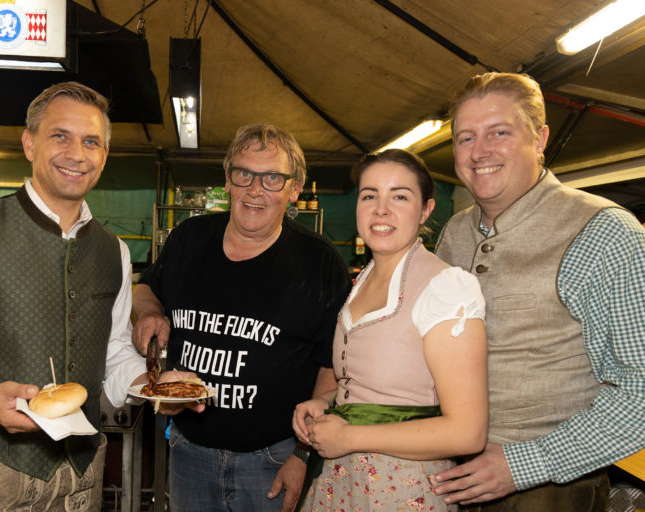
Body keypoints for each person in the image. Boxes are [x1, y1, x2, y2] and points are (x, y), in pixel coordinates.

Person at [0, 82, 157, 511]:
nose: (77, 153)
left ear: (104, 155)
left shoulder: (115, 251)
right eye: (60, 136)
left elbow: (112, 353)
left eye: (91, 141)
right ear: (29, 143)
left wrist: (155, 385)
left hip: (82, 474)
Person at [433, 72, 645, 511]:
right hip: (449, 470)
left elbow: (639, 392)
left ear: (540, 137)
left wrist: (524, 463)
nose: (479, 152)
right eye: (465, 137)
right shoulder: (454, 232)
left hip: (548, 490)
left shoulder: (604, 232)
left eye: (500, 132)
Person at [131, 123, 351, 511]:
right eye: (244, 173)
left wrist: (303, 455)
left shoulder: (319, 262)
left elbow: (330, 368)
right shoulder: (188, 238)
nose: (255, 189)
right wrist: (148, 311)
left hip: (273, 459)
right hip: (188, 454)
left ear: (294, 189)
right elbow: (146, 287)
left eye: (272, 178)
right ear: (228, 180)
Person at [292, 149, 488, 511]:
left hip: (403, 489)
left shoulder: (445, 288)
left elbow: (467, 432)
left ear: (426, 209)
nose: (381, 210)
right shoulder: (362, 279)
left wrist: (350, 436)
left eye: (399, 196)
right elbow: (366, 388)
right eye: (370, 196)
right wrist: (322, 403)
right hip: (342, 481)